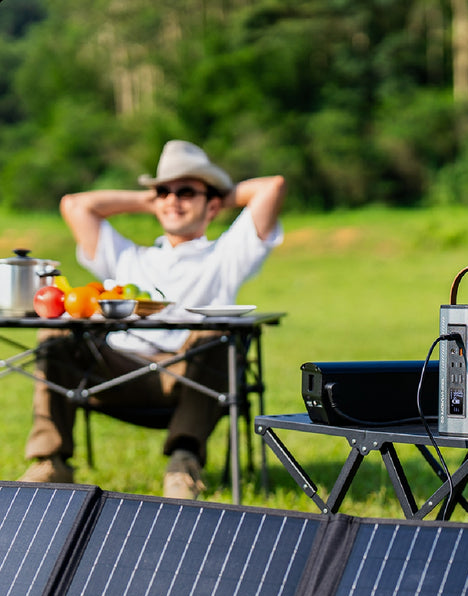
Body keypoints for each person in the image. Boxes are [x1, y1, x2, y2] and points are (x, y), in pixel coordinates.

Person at [19, 140, 286, 499]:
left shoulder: (225, 253)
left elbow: (272, 187)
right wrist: (154, 201)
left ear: (213, 205)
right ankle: (51, 462)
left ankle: (184, 461)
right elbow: (75, 205)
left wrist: (211, 197)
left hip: (190, 376)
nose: (172, 199)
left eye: (186, 191)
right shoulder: (129, 256)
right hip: (118, 372)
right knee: (58, 333)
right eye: (164, 191)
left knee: (219, 332)